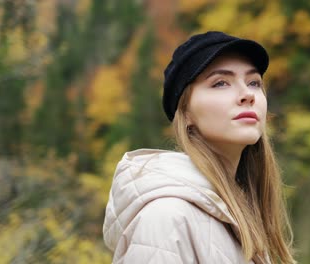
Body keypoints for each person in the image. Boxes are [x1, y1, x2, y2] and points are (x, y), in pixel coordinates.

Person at [103, 31, 296, 264]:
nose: (247, 94)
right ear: (186, 113)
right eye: (221, 83)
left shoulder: (241, 214)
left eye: (254, 82)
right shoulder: (167, 218)